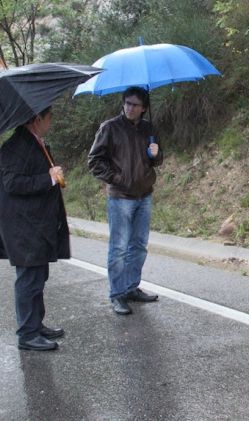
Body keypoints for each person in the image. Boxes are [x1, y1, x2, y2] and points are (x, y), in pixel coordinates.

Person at [0, 107, 70, 351]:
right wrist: (49, 178)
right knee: (29, 279)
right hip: (22, 225)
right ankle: (27, 334)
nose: (51, 121)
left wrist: (52, 176)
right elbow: (13, 183)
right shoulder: (15, 147)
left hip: (36, 222)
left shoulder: (35, 142)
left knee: (38, 276)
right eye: (49, 117)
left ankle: (36, 324)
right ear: (37, 119)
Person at [88, 86, 163, 315]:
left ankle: (131, 287)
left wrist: (155, 153)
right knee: (119, 248)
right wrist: (117, 178)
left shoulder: (148, 128)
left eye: (135, 105)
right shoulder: (109, 128)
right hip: (120, 197)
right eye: (127, 103)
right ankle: (117, 294)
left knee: (139, 246)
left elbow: (158, 160)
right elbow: (94, 161)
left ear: (144, 108)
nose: (130, 108)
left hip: (144, 194)